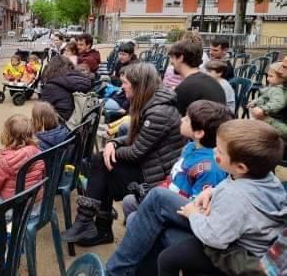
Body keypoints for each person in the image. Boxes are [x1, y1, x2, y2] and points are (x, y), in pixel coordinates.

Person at [104, 120, 286, 276]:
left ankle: (115, 272)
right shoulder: (266, 178)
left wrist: (193, 214)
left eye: (220, 151)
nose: (214, 151)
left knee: (147, 218)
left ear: (241, 167)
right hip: (226, 228)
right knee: (154, 202)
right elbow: (240, 190)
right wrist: (212, 192)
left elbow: (215, 238)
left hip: (229, 248)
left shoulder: (236, 196)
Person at [61, 63, 186, 246]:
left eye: (125, 83)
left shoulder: (159, 112)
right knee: (103, 165)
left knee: (102, 165)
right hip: (149, 166)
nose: (122, 87)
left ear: (138, 85)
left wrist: (111, 150)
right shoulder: (153, 103)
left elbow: (136, 152)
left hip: (155, 177)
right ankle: (91, 224)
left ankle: (92, 223)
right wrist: (113, 143)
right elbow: (135, 137)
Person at [122, 100, 232, 220]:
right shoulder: (191, 146)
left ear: (199, 133)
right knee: (129, 202)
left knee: (132, 218)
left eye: (187, 119)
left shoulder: (210, 168)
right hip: (167, 197)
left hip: (179, 211)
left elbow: (196, 207)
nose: (182, 119)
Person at [0, 114, 45, 210]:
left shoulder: (4, 161)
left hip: (14, 210)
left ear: (6, 135)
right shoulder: (39, 153)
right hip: (36, 206)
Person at [169, 40, 226, 115]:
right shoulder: (212, 82)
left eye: (172, 57)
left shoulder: (185, 88)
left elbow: (175, 120)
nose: (171, 62)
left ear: (181, 58)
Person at [40, 55, 92, 122]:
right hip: (78, 121)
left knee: (38, 110)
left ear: (50, 69)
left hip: (63, 123)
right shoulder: (79, 79)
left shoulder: (50, 87)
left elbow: (43, 112)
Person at [247, 61, 287, 139]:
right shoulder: (274, 87)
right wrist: (256, 101)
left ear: (282, 78)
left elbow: (278, 103)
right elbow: (264, 97)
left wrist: (263, 109)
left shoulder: (278, 90)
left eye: (271, 76)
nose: (267, 78)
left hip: (273, 119)